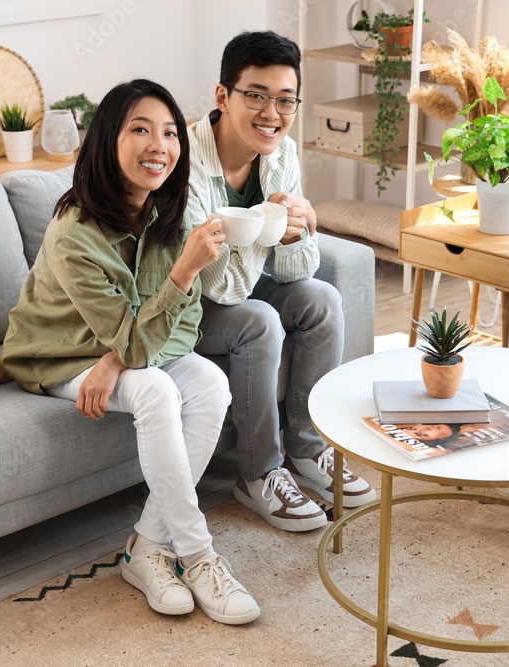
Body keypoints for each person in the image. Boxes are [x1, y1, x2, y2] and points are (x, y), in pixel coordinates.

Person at [2, 79, 259, 625]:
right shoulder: (75, 232)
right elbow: (148, 341)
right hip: (62, 357)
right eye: (139, 129)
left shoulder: (172, 211)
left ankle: (144, 547)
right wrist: (183, 274)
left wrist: (118, 357)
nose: (159, 146)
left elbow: (183, 330)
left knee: (211, 382)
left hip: (119, 351)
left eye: (169, 133)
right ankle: (198, 555)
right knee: (157, 388)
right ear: (106, 141)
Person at [186, 30, 376, 533]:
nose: (272, 113)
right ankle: (258, 474)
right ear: (223, 96)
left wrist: (295, 233)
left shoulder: (281, 153)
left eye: (286, 100)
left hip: (241, 283)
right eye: (257, 96)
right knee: (260, 319)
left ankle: (308, 450)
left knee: (322, 299)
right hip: (185, 302)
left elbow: (296, 273)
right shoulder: (183, 160)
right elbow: (217, 289)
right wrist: (262, 226)